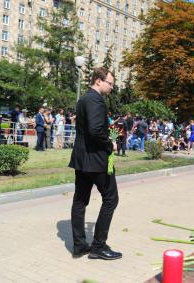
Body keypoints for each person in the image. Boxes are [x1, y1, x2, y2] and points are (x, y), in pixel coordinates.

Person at [69, 67, 122, 260]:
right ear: (98, 81)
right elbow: (95, 130)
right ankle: (98, 246)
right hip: (96, 160)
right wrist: (110, 143)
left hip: (82, 159)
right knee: (111, 199)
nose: (111, 87)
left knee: (80, 200)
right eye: (110, 83)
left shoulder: (83, 99)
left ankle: (79, 246)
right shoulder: (95, 99)